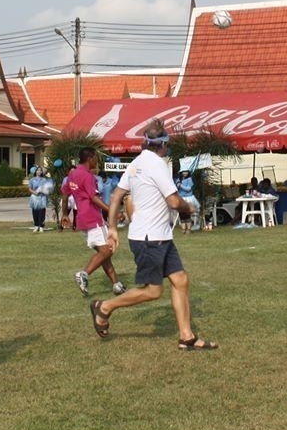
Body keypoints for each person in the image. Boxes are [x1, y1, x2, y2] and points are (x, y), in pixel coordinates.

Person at [91, 119, 218, 351]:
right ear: (163, 144)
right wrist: (189, 207)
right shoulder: (157, 164)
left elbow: (117, 196)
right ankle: (105, 307)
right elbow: (173, 200)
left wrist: (111, 227)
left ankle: (186, 337)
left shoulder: (136, 163)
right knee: (153, 291)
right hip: (149, 238)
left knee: (180, 280)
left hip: (159, 236)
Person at [62, 148, 126, 297]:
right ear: (90, 158)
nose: (97, 161)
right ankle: (84, 274)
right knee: (107, 251)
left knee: (103, 254)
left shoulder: (72, 174)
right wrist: (113, 212)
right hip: (93, 218)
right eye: (96, 158)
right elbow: (94, 198)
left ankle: (117, 285)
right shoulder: (87, 176)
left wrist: (65, 214)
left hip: (82, 220)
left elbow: (65, 194)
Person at [175, 170, 200, 234]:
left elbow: (188, 189)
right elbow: (176, 189)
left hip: (188, 198)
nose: (185, 173)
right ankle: (183, 229)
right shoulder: (178, 179)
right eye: (183, 172)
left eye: (186, 172)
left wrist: (180, 185)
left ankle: (188, 229)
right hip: (181, 198)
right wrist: (177, 185)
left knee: (187, 214)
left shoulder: (189, 179)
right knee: (181, 214)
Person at [27, 166, 50, 232]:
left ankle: (41, 226)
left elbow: (47, 189)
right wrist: (34, 192)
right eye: (38, 170)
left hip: (42, 197)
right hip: (34, 198)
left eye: (40, 170)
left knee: (42, 212)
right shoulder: (32, 180)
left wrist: (43, 190)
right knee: (35, 212)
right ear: (35, 171)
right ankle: (36, 225)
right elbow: (29, 188)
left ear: (42, 172)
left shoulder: (44, 180)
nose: (39, 171)